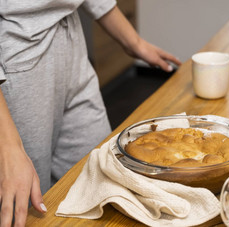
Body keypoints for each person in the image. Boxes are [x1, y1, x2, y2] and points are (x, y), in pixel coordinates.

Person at [0, 1, 181, 226]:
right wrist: (8, 146)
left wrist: (133, 41)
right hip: (15, 59)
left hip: (71, 38)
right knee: (29, 205)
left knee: (103, 180)